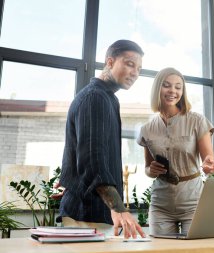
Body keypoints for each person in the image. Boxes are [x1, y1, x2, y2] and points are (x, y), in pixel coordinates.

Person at [58, 39, 145, 239]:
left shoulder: (108, 98)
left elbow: (79, 153)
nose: (135, 73)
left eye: (139, 69)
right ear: (110, 61)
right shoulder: (95, 97)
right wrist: (119, 207)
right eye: (130, 64)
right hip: (86, 216)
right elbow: (92, 160)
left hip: (96, 215)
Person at [136, 67, 214, 235]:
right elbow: (148, 169)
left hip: (193, 202)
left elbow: (210, 161)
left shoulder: (197, 121)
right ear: (158, 88)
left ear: (182, 91)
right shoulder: (147, 129)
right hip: (161, 205)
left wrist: (211, 165)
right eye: (167, 85)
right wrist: (150, 170)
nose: (172, 91)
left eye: (178, 87)